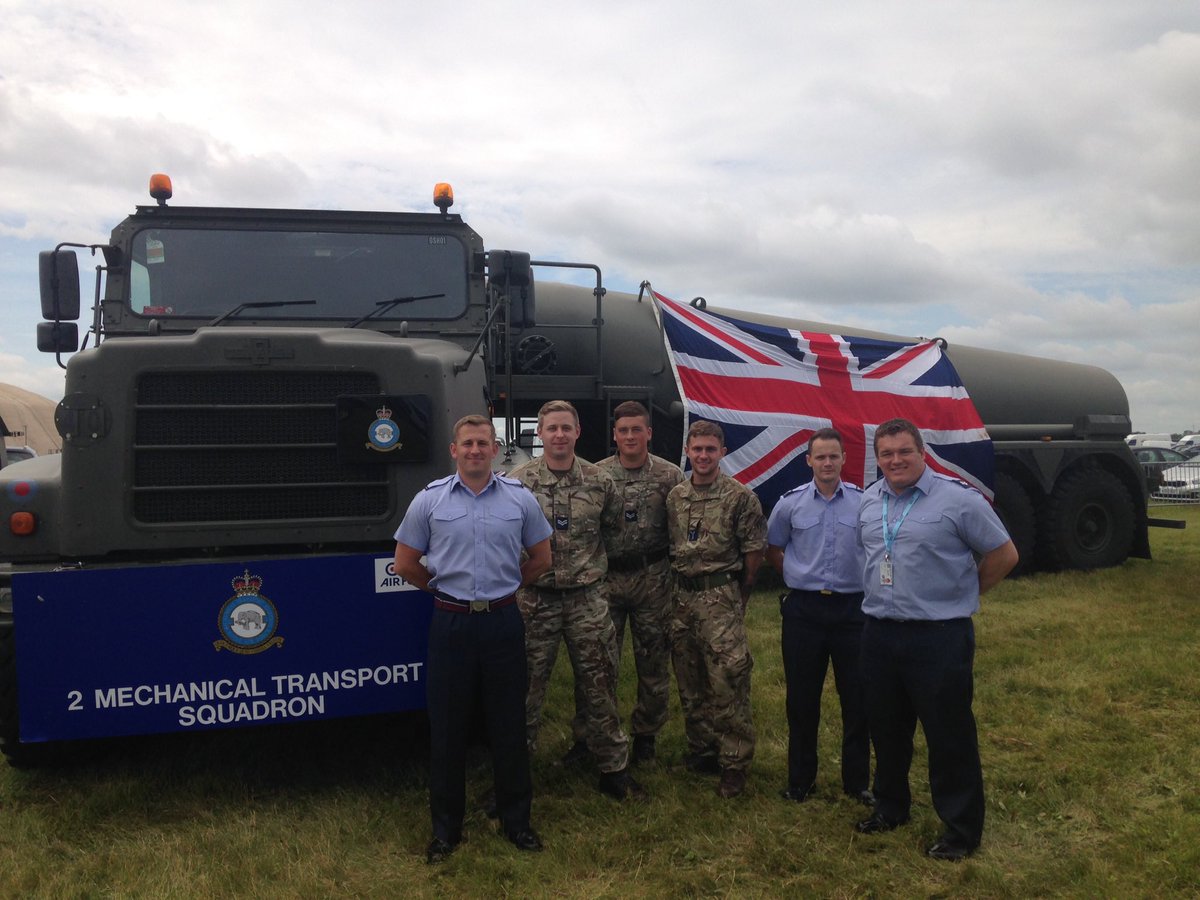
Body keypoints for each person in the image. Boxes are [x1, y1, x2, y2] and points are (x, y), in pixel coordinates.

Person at [853, 417, 1018, 861]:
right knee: (887, 730)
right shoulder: (869, 501)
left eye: (904, 451)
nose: (895, 460)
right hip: (880, 634)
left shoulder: (959, 501)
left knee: (949, 735)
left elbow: (1005, 553)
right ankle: (891, 808)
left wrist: (966, 592)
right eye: (886, 454)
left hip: (938, 637)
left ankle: (961, 830)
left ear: (922, 452)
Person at [393, 414, 553, 864]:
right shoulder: (430, 501)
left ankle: (517, 823)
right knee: (447, 729)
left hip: (503, 622)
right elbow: (405, 562)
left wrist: (506, 588)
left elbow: (541, 557)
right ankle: (446, 832)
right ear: (454, 450)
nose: (476, 450)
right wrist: (444, 591)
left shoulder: (520, 499)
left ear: (495, 447)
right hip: (451, 625)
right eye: (468, 443)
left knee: (508, 725)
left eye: (484, 442)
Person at [509, 400, 645, 800]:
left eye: (566, 428)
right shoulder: (519, 483)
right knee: (526, 689)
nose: (559, 435)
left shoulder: (600, 481)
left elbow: (613, 529)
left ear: (578, 431)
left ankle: (612, 768)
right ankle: (515, 774)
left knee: (600, 683)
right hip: (536, 600)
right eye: (552, 428)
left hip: (587, 599)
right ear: (541, 431)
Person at [561, 401, 684, 766]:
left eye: (636, 429)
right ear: (614, 435)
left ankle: (646, 735)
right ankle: (589, 737)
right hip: (606, 580)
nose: (630, 436)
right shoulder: (596, 476)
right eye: (623, 430)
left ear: (649, 433)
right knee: (595, 664)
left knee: (653, 662)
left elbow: (679, 528)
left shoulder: (669, 476)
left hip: (653, 579)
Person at [765, 427, 873, 806]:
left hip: (852, 612)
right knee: (801, 700)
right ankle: (800, 781)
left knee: (858, 699)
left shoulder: (863, 503)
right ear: (808, 461)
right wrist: (800, 578)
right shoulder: (790, 504)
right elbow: (775, 548)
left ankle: (857, 782)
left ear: (844, 460)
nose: (827, 463)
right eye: (820, 457)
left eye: (834, 456)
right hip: (805, 612)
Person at [667, 420, 766, 798]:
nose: (703, 456)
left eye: (711, 449)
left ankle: (734, 762)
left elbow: (753, 555)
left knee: (728, 679)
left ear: (722, 452)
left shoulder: (740, 498)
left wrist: (738, 596)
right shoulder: (676, 497)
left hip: (721, 596)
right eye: (697, 449)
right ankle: (702, 750)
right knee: (690, 679)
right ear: (688, 452)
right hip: (682, 599)